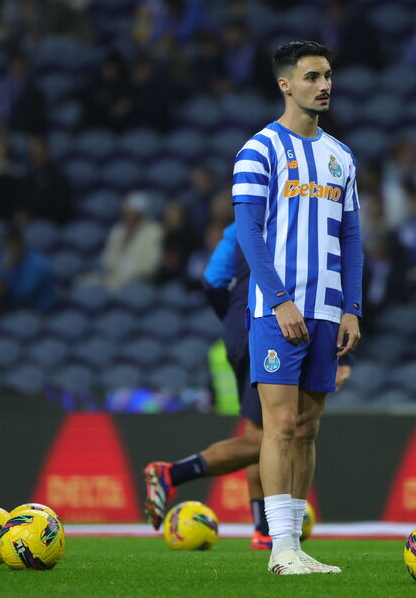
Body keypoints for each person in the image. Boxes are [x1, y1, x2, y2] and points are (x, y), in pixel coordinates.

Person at [229, 40, 362, 575]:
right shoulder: (258, 150)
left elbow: (352, 236)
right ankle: (279, 545)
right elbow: (248, 232)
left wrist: (351, 306)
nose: (324, 85)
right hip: (277, 311)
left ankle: (297, 544)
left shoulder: (341, 156)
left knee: (307, 428)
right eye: (312, 77)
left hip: (328, 311)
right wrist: (280, 300)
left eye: (327, 75)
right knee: (279, 426)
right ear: (286, 84)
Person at [144, 222, 354, 550]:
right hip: (276, 327)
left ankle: (263, 528)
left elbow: (212, 280)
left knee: (264, 431)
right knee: (275, 433)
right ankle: (172, 474)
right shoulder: (306, 219)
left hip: (248, 327)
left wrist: (233, 318)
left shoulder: (240, 226)